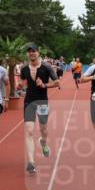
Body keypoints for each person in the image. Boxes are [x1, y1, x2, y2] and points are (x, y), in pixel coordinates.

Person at [19, 43, 60, 174]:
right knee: (29, 131)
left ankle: (43, 142)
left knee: (43, 129)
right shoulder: (24, 68)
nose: (31, 53)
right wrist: (20, 86)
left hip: (42, 102)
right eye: (29, 51)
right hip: (29, 102)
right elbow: (21, 81)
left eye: (34, 51)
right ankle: (31, 162)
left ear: (38, 52)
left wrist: (45, 85)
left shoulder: (47, 67)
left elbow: (57, 82)